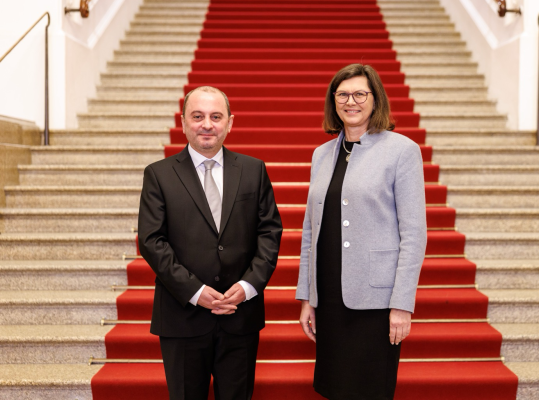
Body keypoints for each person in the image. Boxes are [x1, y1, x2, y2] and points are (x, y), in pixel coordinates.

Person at [138, 86, 283, 400]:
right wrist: (195, 291)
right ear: (184, 121)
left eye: (216, 117)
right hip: (182, 316)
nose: (207, 124)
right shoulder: (158, 175)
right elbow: (152, 241)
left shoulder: (253, 170)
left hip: (239, 314)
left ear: (230, 123)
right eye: (198, 116)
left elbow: (269, 233)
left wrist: (248, 286)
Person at [296, 64, 427, 400]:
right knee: (333, 387)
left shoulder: (402, 151)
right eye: (342, 94)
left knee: (370, 389)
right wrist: (308, 297)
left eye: (359, 94)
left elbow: (414, 235)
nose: (350, 101)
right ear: (333, 101)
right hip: (329, 295)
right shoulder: (321, 155)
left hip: (375, 301)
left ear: (375, 99)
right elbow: (311, 231)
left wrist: (402, 304)